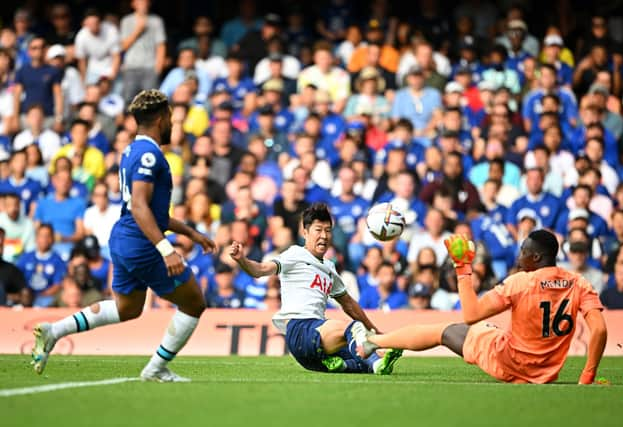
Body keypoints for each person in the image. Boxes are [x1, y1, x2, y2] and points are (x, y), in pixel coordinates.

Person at [30, 90, 216, 382]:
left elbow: (152, 211)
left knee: (127, 309)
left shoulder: (131, 151)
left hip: (125, 237)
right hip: (141, 242)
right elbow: (140, 205)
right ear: (159, 119)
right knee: (194, 302)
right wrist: (165, 248)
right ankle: (155, 369)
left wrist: (192, 233)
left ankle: (55, 331)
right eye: (169, 118)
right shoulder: (149, 155)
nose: (172, 124)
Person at [355, 230, 608, 384]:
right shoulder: (579, 283)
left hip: (509, 361)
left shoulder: (519, 283)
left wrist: (462, 269)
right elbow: (599, 331)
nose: (519, 258)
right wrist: (587, 376)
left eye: (523, 252)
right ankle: (378, 342)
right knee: (483, 327)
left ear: (536, 258)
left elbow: (470, 315)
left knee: (444, 331)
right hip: (546, 372)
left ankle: (375, 342)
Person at [229, 202, 402, 374]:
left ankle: (355, 365)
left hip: (312, 347)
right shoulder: (295, 254)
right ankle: (375, 361)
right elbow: (260, 270)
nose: (324, 236)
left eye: (328, 230)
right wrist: (241, 260)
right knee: (355, 329)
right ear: (305, 232)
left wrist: (374, 331)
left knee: (359, 358)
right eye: (318, 230)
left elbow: (349, 304)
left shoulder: (329, 268)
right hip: (300, 328)